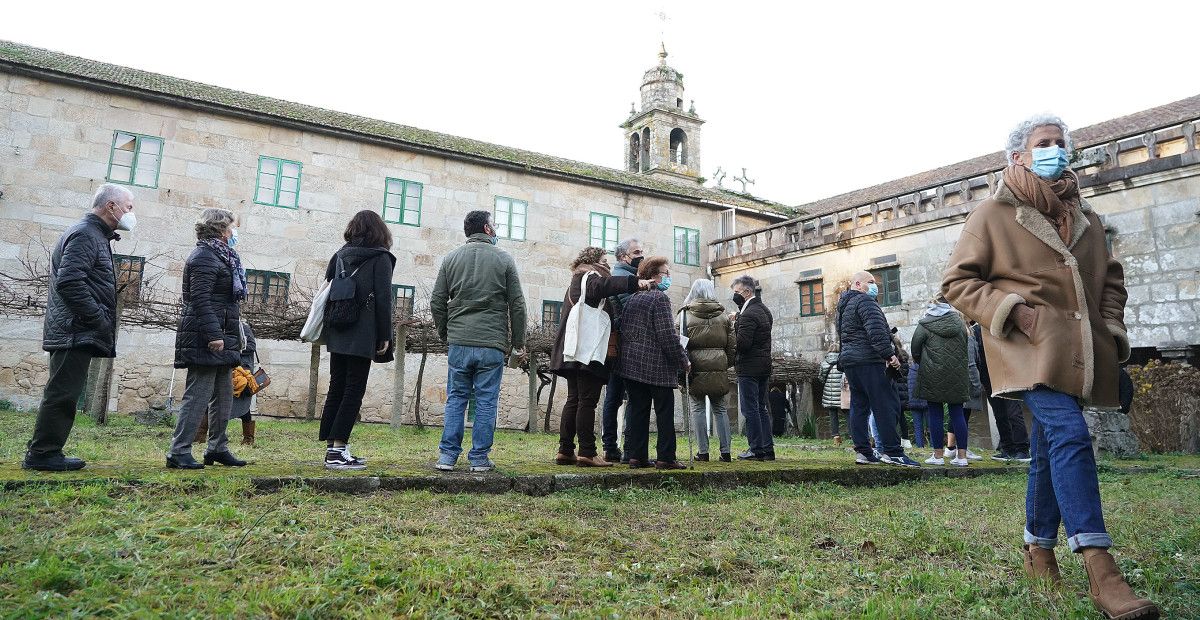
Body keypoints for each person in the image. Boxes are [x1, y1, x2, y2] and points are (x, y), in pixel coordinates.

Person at [943, 114, 1158, 618]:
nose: (1056, 150)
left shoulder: (1085, 215)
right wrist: (1015, 312)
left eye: (1061, 143)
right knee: (1069, 433)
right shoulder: (992, 213)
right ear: (1017, 156)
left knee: (1047, 445)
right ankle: (1100, 567)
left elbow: (1112, 281)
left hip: (1075, 351)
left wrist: (1112, 330)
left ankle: (1038, 549)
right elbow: (956, 283)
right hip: (1023, 346)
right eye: (1044, 143)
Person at [22, 184, 135, 471]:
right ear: (111, 206)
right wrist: (98, 318)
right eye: (128, 206)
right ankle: (43, 454)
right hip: (74, 329)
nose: (131, 213)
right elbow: (70, 282)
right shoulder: (86, 235)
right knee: (62, 393)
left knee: (64, 392)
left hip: (76, 328)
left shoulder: (95, 235)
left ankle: (46, 451)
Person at [431, 210, 526, 472]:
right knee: (486, 401)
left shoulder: (451, 259)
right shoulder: (504, 259)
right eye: (494, 224)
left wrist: (445, 333)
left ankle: (447, 457)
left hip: (459, 341)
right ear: (486, 229)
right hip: (491, 343)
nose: (496, 229)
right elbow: (517, 305)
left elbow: (437, 301)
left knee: (456, 398)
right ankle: (479, 459)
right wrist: (518, 343)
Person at [549, 246, 650, 467]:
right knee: (587, 400)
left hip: (574, 350)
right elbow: (601, 287)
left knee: (574, 399)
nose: (607, 264)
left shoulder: (577, 278)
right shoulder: (589, 276)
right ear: (594, 260)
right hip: (588, 350)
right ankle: (587, 452)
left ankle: (565, 450)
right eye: (604, 260)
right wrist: (634, 283)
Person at [167, 208, 246, 470]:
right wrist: (214, 334)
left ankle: (217, 448)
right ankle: (179, 451)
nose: (234, 232)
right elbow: (199, 299)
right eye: (232, 227)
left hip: (224, 332)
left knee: (224, 394)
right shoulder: (204, 256)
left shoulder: (223, 256)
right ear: (222, 229)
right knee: (198, 394)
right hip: (207, 335)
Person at [319, 210, 397, 470]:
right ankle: (338, 450)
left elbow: (329, 287)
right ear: (380, 232)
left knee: (336, 387)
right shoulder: (381, 258)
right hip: (362, 331)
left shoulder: (339, 255)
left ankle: (333, 448)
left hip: (337, 326)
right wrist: (385, 335)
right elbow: (384, 300)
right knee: (354, 390)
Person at [836, 271, 920, 467]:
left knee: (859, 405)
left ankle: (863, 452)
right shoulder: (865, 302)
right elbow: (876, 332)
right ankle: (892, 451)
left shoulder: (843, 305)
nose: (875, 286)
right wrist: (890, 356)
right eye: (871, 282)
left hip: (851, 362)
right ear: (858, 284)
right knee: (886, 405)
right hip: (869, 360)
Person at [617, 256, 688, 470]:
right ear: (654, 277)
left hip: (631, 365)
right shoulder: (659, 298)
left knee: (638, 411)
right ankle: (666, 458)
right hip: (657, 366)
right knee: (664, 411)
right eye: (666, 273)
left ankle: (636, 456)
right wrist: (682, 360)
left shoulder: (632, 299)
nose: (669, 277)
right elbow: (667, 335)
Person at [911, 297, 971, 467]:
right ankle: (962, 457)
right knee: (957, 414)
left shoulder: (924, 324)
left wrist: (922, 361)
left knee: (935, 414)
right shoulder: (959, 323)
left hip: (932, 374)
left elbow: (915, 347)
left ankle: (937, 456)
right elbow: (965, 344)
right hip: (957, 374)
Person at [680, 279, 736, 462]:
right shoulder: (723, 315)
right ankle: (726, 452)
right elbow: (732, 345)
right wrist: (725, 363)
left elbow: (679, 343)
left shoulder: (684, 315)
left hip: (694, 367)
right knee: (720, 408)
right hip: (718, 365)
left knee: (697, 408)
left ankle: (703, 452)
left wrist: (683, 366)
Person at [600, 237, 645, 463]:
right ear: (623, 256)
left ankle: (611, 446)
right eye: (636, 252)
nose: (640, 255)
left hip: (619, 343)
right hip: (627, 343)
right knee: (629, 398)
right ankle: (626, 448)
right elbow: (633, 309)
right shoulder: (625, 277)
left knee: (614, 397)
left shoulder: (625, 275)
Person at [729, 275, 774, 461]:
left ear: (747, 292)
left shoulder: (748, 314)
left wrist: (734, 325)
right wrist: (739, 318)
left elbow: (743, 343)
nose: (735, 296)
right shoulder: (764, 310)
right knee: (761, 408)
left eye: (737, 292)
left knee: (750, 409)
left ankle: (755, 449)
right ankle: (767, 448)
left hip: (749, 367)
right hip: (763, 365)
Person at [974, 321, 1031, 462]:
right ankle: (1007, 448)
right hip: (988, 377)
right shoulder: (976, 330)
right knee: (999, 413)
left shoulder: (1000, 325)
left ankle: (1022, 449)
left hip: (1007, 373)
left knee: (1013, 412)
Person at [818, 344, 846, 440]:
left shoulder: (824, 363)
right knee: (848, 413)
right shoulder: (843, 361)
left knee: (833, 414)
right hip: (843, 392)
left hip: (829, 393)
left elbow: (821, 379)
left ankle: (836, 436)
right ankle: (852, 435)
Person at [906, 360, 928, 448]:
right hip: (926, 401)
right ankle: (934, 446)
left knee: (918, 426)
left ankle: (920, 446)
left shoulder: (910, 370)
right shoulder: (927, 369)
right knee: (931, 426)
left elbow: (908, 386)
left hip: (913, 402)